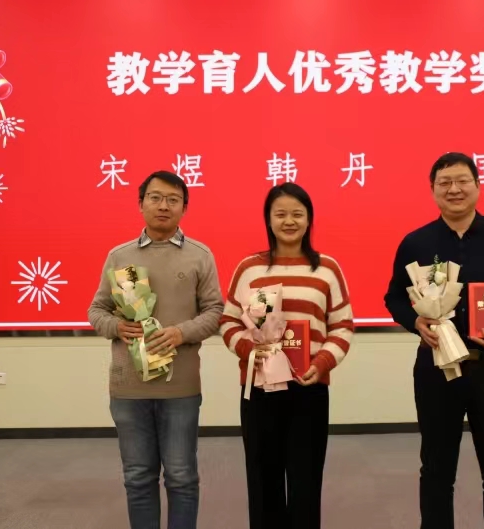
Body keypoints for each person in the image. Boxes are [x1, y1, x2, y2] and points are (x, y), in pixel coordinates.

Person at [384, 152, 484, 529]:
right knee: (436, 470)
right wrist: (415, 321)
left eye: (462, 180)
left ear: (478, 185)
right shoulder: (416, 242)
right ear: (433, 190)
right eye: (444, 183)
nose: (454, 189)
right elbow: (394, 297)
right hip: (436, 369)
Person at [88, 170, 224, 529]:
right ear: (141, 203)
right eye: (155, 197)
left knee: (181, 477)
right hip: (128, 387)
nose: (164, 205)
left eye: (173, 200)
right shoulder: (119, 256)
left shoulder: (199, 256)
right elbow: (96, 310)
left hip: (180, 387)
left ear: (184, 208)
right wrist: (117, 327)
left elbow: (215, 312)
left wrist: (181, 333)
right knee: (137, 477)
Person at [219, 182, 354, 529]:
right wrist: (250, 350)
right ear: (268, 219)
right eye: (280, 214)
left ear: (309, 219)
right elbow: (228, 321)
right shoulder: (250, 268)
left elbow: (342, 326)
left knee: (306, 478)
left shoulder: (327, 269)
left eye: (297, 214)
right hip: (260, 388)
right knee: (263, 479)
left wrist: (321, 363)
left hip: (309, 388)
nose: (289, 221)